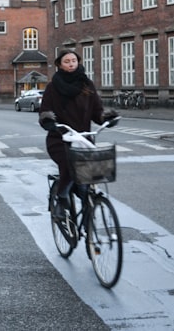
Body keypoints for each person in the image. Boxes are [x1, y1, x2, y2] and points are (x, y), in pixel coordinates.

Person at [38, 49, 116, 220]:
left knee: (89, 176)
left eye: (74, 60)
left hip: (83, 139)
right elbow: (45, 111)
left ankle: (88, 214)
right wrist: (49, 121)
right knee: (69, 163)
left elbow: (97, 111)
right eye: (67, 61)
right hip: (60, 139)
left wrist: (106, 117)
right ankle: (62, 198)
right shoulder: (53, 87)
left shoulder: (87, 85)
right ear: (59, 64)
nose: (71, 63)